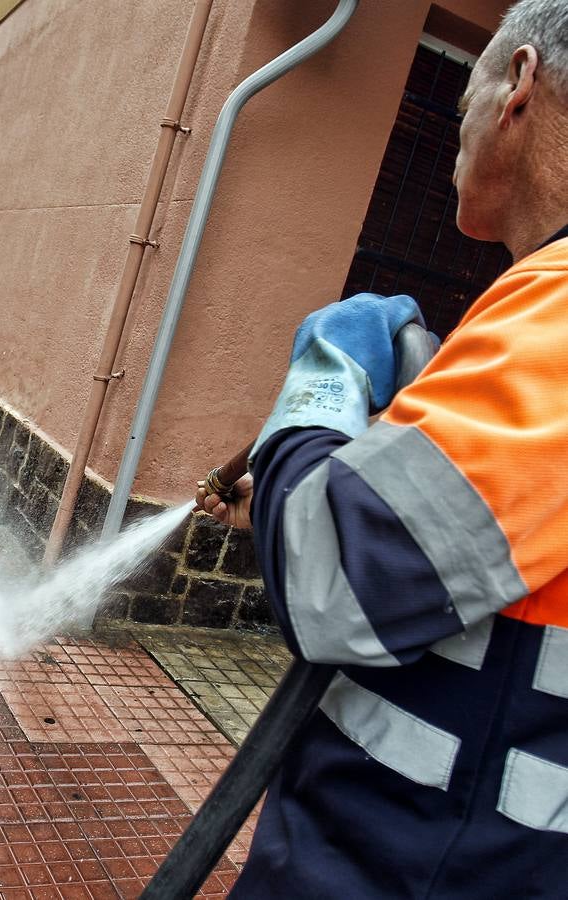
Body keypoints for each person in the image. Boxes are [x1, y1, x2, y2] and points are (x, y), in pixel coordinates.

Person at [196, 1, 568, 896]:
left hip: (410, 863)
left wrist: (324, 375)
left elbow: (336, 581)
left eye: (459, 105)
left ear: (519, 84)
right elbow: (469, 565)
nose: (454, 141)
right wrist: (286, 498)